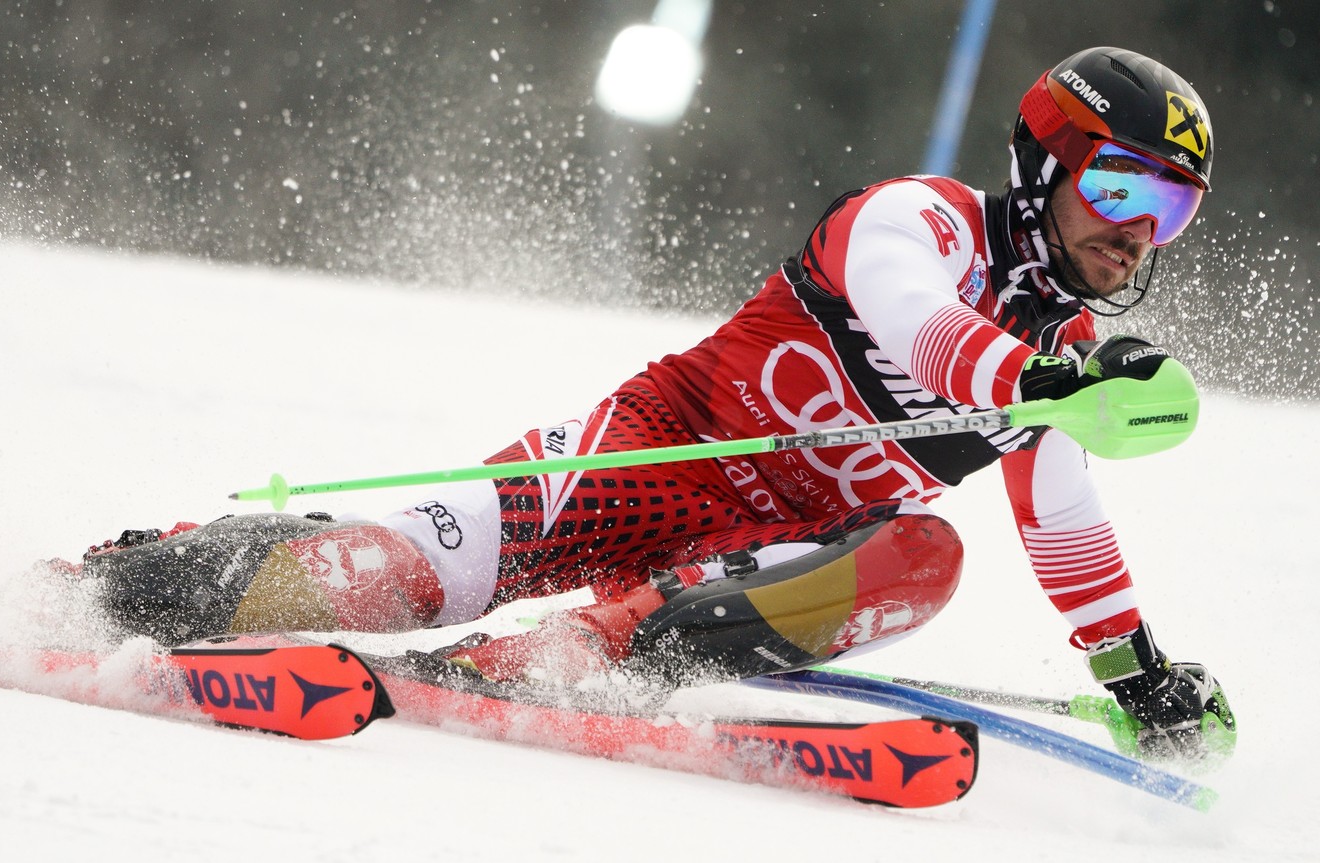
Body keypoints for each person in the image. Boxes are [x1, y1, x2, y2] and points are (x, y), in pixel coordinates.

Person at [76, 47, 1235, 761]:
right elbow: (927, 333)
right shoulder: (918, 219)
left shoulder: (1063, 365)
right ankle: (129, 580)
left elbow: (1066, 520)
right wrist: (1049, 382)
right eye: (1120, 181)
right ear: (1046, 161)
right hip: (652, 452)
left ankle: (574, 653)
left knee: (924, 552)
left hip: (765, 550)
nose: (1137, 227)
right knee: (365, 581)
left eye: (1170, 210)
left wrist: (1137, 670)